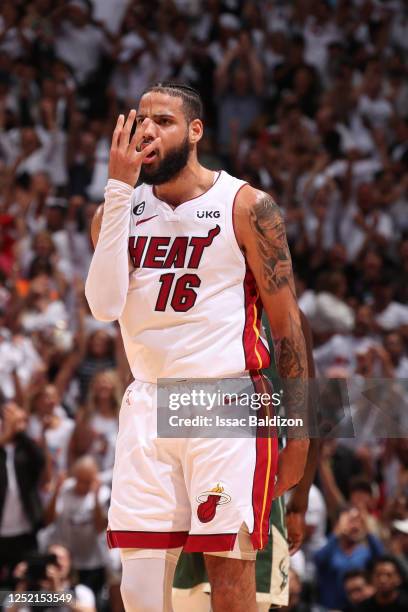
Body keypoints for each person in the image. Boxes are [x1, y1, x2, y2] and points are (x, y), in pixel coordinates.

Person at [85, 83, 310, 612]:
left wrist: (299, 434)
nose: (147, 131)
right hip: (148, 400)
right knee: (138, 592)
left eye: (162, 121)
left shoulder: (247, 206)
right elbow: (103, 305)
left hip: (224, 400)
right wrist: (117, 191)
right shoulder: (116, 213)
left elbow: (289, 330)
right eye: (141, 120)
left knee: (229, 584)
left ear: (195, 130)